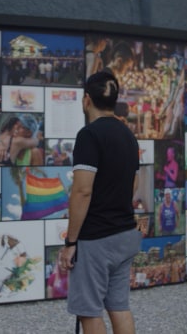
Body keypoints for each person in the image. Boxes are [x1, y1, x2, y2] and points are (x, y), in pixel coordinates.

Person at [60, 71, 142, 334]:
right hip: (125, 233)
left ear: (86, 100)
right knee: (119, 306)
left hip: (97, 238)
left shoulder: (89, 135)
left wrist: (71, 242)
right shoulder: (128, 135)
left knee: (88, 310)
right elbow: (134, 184)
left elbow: (82, 191)